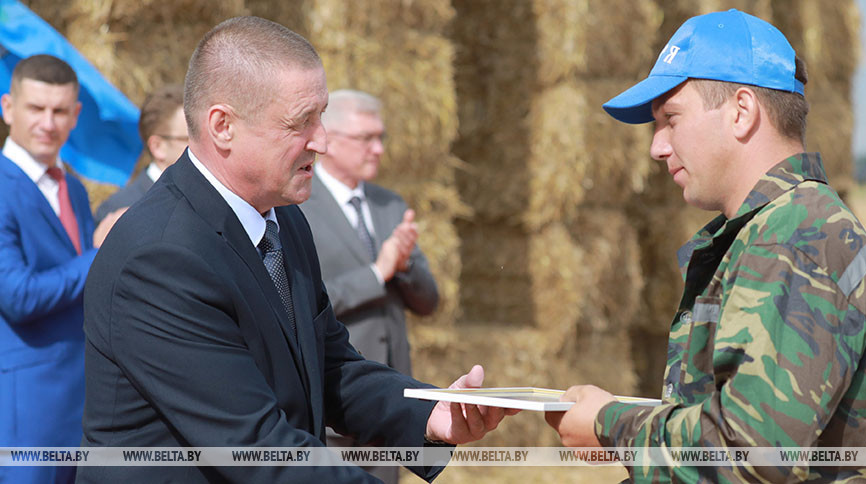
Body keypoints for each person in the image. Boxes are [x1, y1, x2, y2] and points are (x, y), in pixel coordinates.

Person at [79, 16, 515, 483]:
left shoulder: (283, 220)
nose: (322, 141)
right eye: (300, 122)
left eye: (321, 115)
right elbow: (259, 450)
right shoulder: (161, 259)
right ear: (223, 126)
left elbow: (328, 366)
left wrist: (428, 414)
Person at [545, 9, 866, 483]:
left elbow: (750, 449)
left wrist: (608, 424)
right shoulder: (778, 228)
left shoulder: (794, 236)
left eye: (670, 119)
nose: (657, 147)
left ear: (741, 111)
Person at [300, 89, 439, 484]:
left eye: (381, 137)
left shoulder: (389, 205)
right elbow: (302, 300)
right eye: (366, 139)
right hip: (335, 400)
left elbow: (429, 301)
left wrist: (405, 263)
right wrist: (377, 274)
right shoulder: (297, 206)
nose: (378, 149)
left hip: (389, 396)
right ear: (332, 139)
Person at [0, 54, 120, 484]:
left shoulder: (70, 184)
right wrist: (98, 253)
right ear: (8, 107)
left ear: (76, 115)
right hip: (25, 410)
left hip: (84, 407)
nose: (48, 123)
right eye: (36, 109)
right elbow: (17, 296)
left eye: (59, 111)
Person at [94, 84, 187, 223]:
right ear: (157, 147)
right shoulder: (120, 210)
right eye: (191, 139)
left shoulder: (209, 197)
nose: (204, 146)